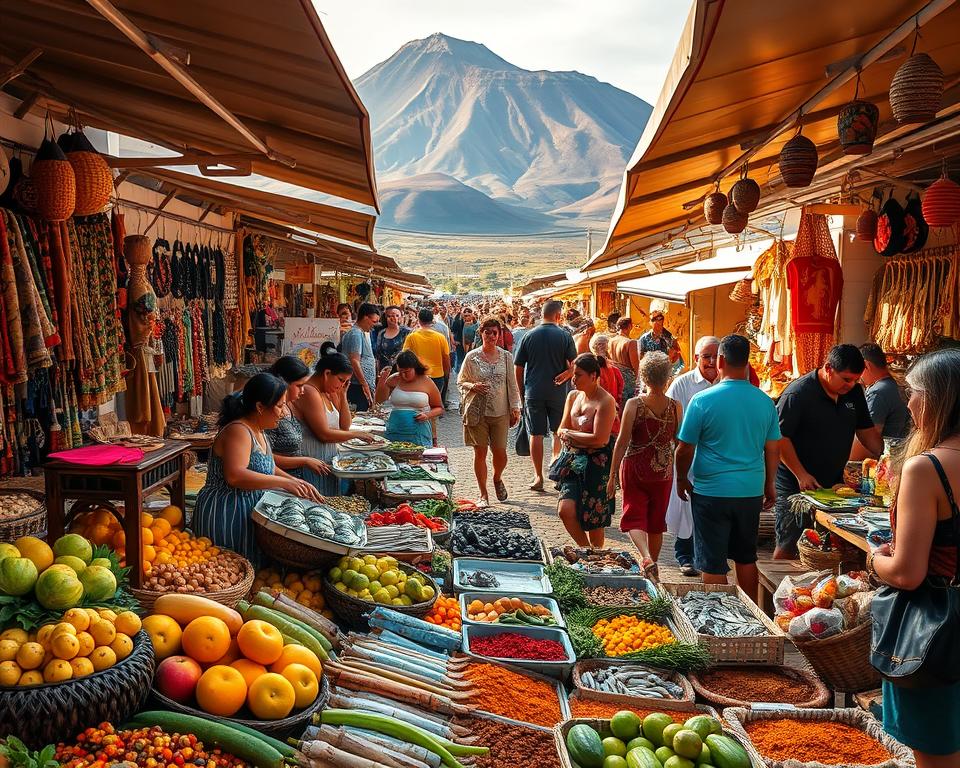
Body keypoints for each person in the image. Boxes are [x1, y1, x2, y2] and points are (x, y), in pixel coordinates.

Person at [870, 349, 960, 768]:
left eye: (914, 392)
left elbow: (907, 573)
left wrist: (874, 561)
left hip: (939, 634)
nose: (907, 404)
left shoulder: (927, 468)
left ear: (940, 399)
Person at [674, 335, 781, 599]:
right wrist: (769, 485)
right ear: (746, 363)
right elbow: (773, 448)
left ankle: (719, 616)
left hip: (711, 492)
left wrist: (680, 479)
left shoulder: (702, 401)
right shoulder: (765, 402)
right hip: (749, 491)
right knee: (746, 557)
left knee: (712, 561)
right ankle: (750, 616)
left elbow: (684, 448)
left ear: (721, 360)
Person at [194, 373, 322, 564]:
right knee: (228, 570)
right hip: (227, 512)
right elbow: (235, 476)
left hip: (248, 509)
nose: (284, 412)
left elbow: (267, 466)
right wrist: (284, 483)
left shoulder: (259, 430)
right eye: (279, 406)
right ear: (260, 407)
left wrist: (296, 482)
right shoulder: (238, 430)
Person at [774, 344, 884, 558]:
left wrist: (886, 455)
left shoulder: (854, 393)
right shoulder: (798, 393)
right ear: (828, 368)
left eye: (855, 380)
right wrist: (801, 474)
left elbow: (866, 431)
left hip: (833, 484)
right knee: (789, 544)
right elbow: (779, 438)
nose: (851, 385)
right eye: (846, 379)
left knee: (828, 547)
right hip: (796, 483)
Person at [608, 352, 680, 577]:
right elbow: (678, 442)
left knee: (633, 514)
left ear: (643, 376)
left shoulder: (634, 404)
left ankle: (646, 557)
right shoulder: (675, 406)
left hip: (635, 466)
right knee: (656, 522)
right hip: (663, 470)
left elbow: (622, 442)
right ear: (666, 377)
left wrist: (611, 476)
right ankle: (653, 564)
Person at [665, 336, 720, 577]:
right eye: (705, 356)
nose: (710, 361)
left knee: (708, 508)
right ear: (696, 358)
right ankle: (685, 556)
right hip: (687, 455)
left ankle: (704, 556)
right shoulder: (682, 384)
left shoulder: (726, 383)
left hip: (716, 459)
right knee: (686, 507)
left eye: (715, 356)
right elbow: (669, 417)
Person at [292, 343, 376, 495]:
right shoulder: (310, 392)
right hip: (312, 459)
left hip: (327, 459)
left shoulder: (326, 391)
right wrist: (357, 435)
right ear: (327, 373)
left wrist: (342, 394)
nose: (342, 385)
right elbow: (323, 434)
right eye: (341, 380)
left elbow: (344, 426)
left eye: (345, 382)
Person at [552, 353, 618, 546]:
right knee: (565, 510)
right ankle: (586, 550)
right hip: (573, 462)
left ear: (593, 376)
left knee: (594, 518)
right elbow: (561, 429)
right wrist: (579, 439)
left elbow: (600, 439)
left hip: (597, 465)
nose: (573, 379)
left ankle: (595, 559)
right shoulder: (573, 397)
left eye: (578, 375)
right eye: (573, 374)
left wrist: (572, 436)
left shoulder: (606, 401)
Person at [514, 299, 578, 491]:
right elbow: (576, 363)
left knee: (536, 434)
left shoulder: (528, 335)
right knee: (558, 432)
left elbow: (518, 366)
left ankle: (538, 476)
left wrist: (522, 392)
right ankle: (555, 467)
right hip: (558, 393)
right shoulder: (565, 336)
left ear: (542, 314)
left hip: (534, 391)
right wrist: (567, 374)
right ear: (558, 315)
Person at [458, 315, 521, 506]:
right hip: (478, 412)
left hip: (500, 412)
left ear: (499, 334)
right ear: (481, 333)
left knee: (500, 453)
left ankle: (497, 477)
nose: (491, 336)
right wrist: (473, 386)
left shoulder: (506, 357)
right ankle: (483, 494)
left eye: (495, 333)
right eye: (487, 332)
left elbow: (512, 383)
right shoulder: (472, 357)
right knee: (480, 453)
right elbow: (461, 381)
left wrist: (515, 407)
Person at [265, 356, 334, 482]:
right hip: (279, 482)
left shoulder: (289, 405)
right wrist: (304, 461)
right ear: (284, 383)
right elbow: (265, 458)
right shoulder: (271, 412)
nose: (303, 391)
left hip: (294, 479)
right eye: (299, 386)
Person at [850, 342, 911, 459]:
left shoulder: (878, 392)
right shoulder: (893, 385)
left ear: (865, 365)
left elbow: (867, 438)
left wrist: (846, 463)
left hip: (883, 461)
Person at [375, 350, 443, 447]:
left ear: (415, 367)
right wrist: (382, 381)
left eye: (407, 372)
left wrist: (427, 415)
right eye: (400, 371)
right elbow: (379, 400)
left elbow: (439, 408)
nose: (403, 375)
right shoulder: (394, 379)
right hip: (396, 428)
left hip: (418, 431)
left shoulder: (426, 381)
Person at [340, 302, 380, 411]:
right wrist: (364, 384)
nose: (374, 326)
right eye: (374, 321)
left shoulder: (358, 333)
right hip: (357, 386)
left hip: (359, 385)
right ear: (366, 317)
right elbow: (354, 360)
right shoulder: (355, 334)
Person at [402, 308, 451, 396]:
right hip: (437, 376)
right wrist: (446, 375)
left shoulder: (411, 337)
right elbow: (446, 358)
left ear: (418, 320)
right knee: (434, 404)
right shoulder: (440, 337)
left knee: (420, 404)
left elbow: (404, 358)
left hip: (418, 377)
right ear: (432, 321)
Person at [590, 334, 624, 416]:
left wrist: (618, 399)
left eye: (603, 343)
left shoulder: (613, 364)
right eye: (599, 344)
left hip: (612, 398)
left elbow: (620, 383)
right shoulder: (590, 362)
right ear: (594, 346)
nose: (601, 346)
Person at [608, 316, 639, 406]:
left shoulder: (611, 341)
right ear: (630, 326)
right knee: (626, 407)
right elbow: (636, 366)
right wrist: (638, 383)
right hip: (627, 381)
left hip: (614, 377)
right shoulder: (630, 342)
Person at [373, 305, 410, 374]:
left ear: (401, 317)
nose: (394, 318)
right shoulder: (381, 333)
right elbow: (378, 355)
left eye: (397, 315)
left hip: (402, 370)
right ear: (386, 317)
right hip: (384, 370)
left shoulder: (406, 332)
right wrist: (377, 372)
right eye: (390, 316)